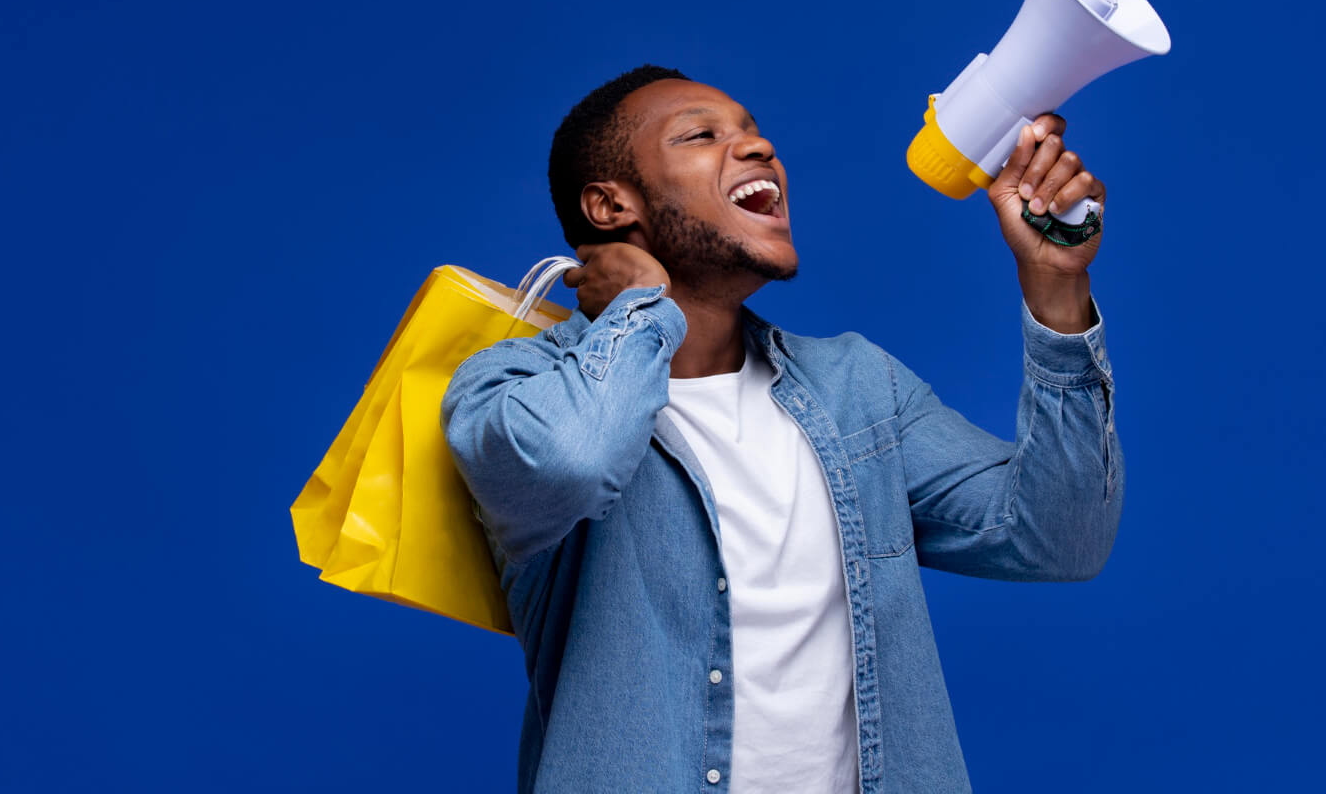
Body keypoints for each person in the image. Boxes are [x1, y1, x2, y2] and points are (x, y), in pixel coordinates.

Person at [442, 65, 1122, 793]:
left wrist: (1057, 288)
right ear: (610, 205)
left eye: (755, 130)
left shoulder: (860, 389)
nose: (759, 147)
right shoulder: (512, 385)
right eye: (703, 135)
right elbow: (571, 464)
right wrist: (641, 307)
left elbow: (1060, 539)